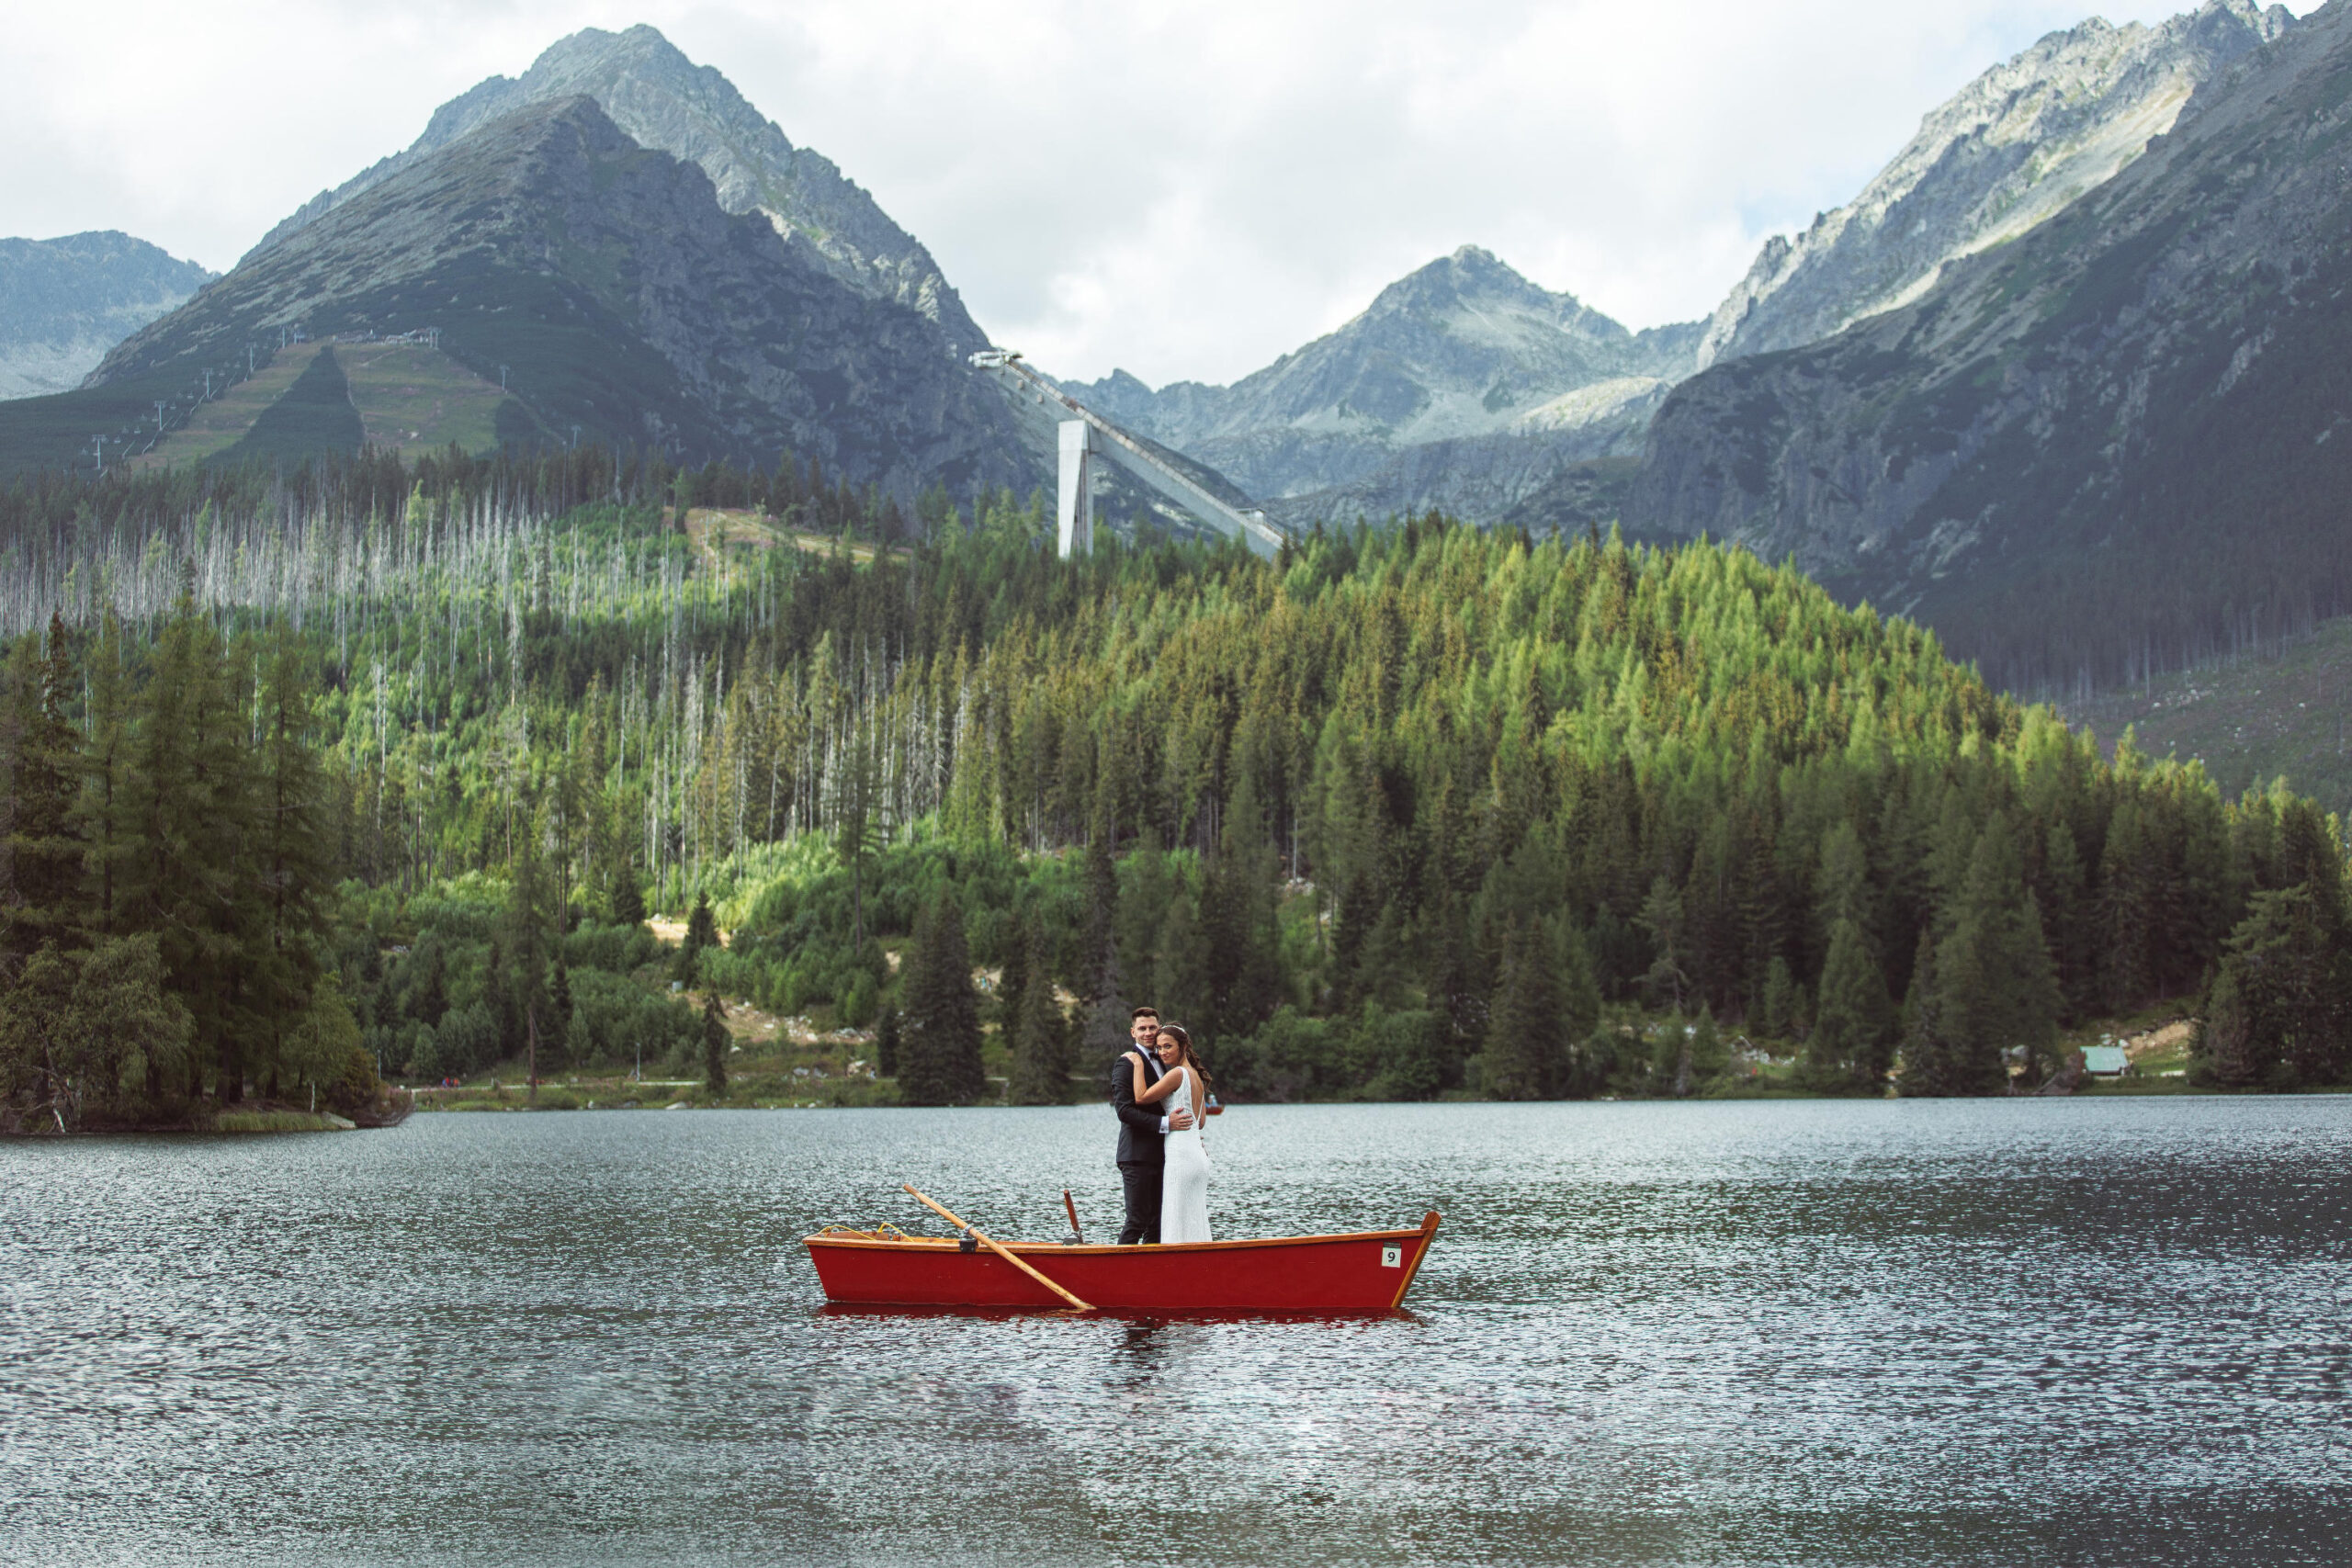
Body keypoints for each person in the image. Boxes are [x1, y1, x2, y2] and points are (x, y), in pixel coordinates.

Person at [1111, 1005, 1192, 1244]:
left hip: (1163, 1154)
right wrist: (1166, 1123)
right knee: (1137, 1220)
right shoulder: (1126, 1063)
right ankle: (1118, 1265)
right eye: (1142, 1028)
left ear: (1160, 1029)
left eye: (1152, 1028)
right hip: (1136, 1155)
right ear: (1133, 1032)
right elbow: (1124, 1111)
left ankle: (1148, 1267)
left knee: (1158, 1223)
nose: (1148, 1033)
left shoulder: (1164, 1061)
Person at [1130, 1023, 1213, 1243]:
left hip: (1181, 1156)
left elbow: (1140, 1097)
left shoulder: (1177, 1074)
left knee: (1176, 1216)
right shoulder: (1196, 1076)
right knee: (1193, 1218)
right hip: (1197, 1156)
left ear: (1183, 1046)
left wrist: (1138, 1063)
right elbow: (1200, 1122)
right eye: (1159, 1048)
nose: (1162, 1052)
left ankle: (1178, 1259)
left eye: (1168, 1046)